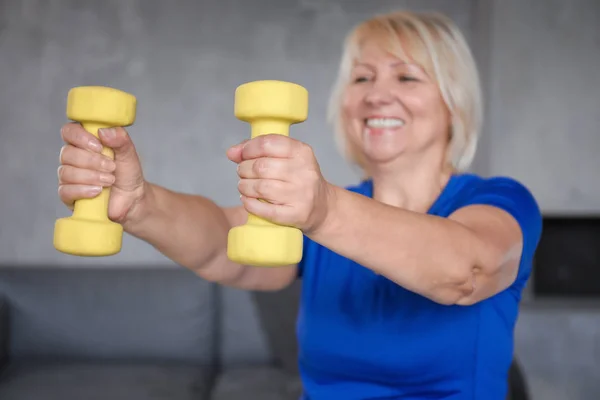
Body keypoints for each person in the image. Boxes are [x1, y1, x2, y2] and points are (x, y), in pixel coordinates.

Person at [56, 10, 542, 400]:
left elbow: (468, 270)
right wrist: (140, 203)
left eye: (407, 78)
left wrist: (325, 211)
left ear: (454, 103)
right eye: (362, 78)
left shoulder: (499, 201)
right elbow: (220, 247)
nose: (377, 95)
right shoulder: (323, 216)